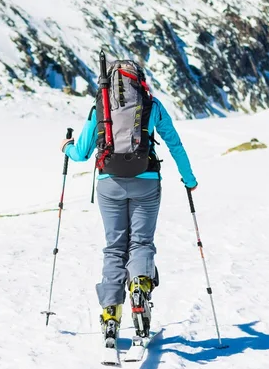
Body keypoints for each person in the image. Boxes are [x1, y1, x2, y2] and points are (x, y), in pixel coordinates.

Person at [60, 60, 197, 347]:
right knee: (141, 244)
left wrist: (66, 147)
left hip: (109, 183)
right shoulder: (152, 104)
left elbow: (82, 153)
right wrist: (189, 178)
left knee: (114, 248)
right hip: (146, 181)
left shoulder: (101, 106)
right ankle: (139, 287)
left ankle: (111, 313)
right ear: (139, 80)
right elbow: (175, 144)